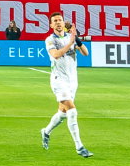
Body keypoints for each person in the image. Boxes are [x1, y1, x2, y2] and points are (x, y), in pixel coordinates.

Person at [38, 14, 93, 157]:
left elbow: (86, 53)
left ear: (63, 23)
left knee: (63, 113)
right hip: (59, 80)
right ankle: (79, 147)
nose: (58, 23)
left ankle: (46, 131)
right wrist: (70, 43)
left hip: (72, 81)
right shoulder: (50, 40)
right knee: (72, 111)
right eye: (55, 21)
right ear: (51, 25)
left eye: (60, 20)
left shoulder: (70, 37)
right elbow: (56, 55)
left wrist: (76, 39)